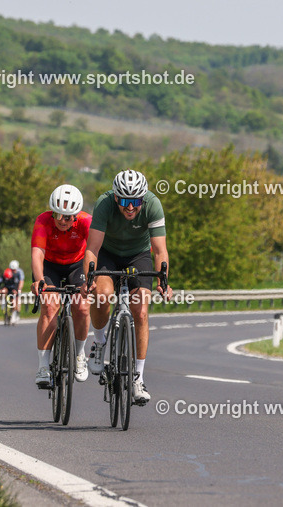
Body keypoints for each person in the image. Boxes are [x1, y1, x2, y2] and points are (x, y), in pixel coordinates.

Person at [83, 169, 171, 405]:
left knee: (141, 310)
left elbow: (160, 250)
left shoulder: (153, 204)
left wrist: (163, 281)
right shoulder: (103, 204)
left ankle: (138, 379)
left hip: (138, 255)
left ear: (142, 198)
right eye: (124, 201)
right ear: (115, 198)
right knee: (102, 296)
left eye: (135, 202)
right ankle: (100, 343)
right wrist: (88, 278)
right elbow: (92, 247)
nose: (130, 207)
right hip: (107, 254)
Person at [31, 184, 92, 388]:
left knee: (82, 307)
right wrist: (40, 280)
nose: (62, 221)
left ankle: (80, 353)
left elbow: (95, 250)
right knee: (49, 306)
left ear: (76, 215)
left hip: (77, 265)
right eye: (58, 215)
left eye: (68, 217)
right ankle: (42, 366)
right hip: (50, 266)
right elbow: (37, 253)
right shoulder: (43, 220)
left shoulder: (86, 221)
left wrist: (92, 279)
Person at [0, 260, 25, 324]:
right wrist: (0, 289)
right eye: (12, 269)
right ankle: (3, 302)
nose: (13, 271)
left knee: (15, 301)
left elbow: (20, 282)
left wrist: (18, 290)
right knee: (3, 291)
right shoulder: (6, 272)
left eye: (14, 270)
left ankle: (15, 314)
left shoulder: (19, 273)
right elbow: (1, 282)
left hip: (15, 288)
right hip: (8, 287)